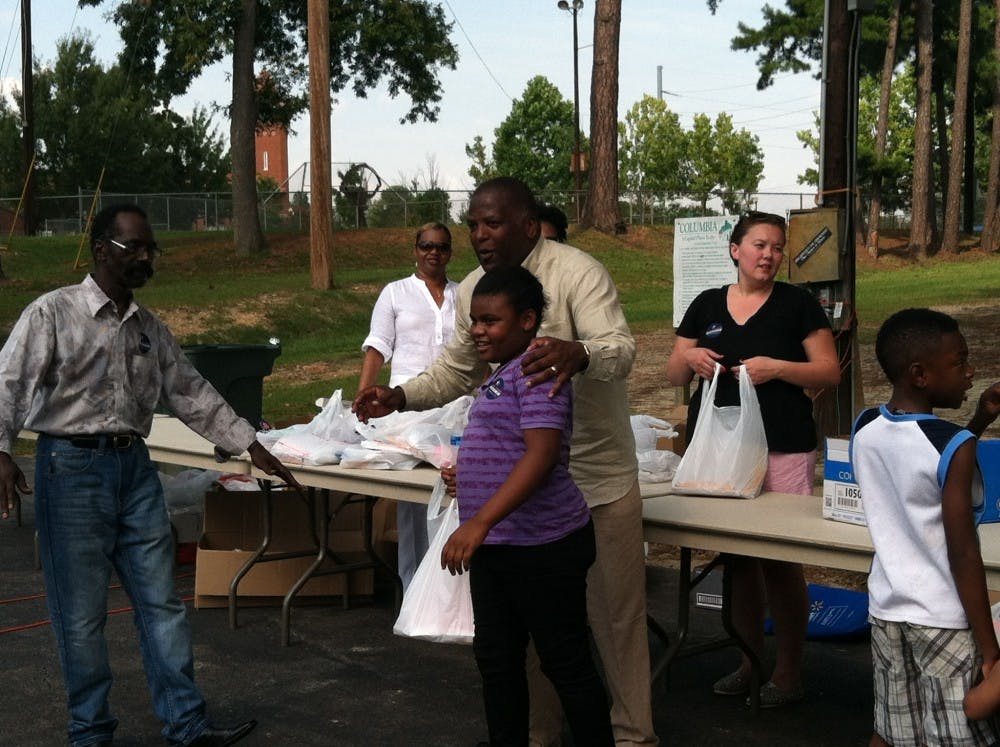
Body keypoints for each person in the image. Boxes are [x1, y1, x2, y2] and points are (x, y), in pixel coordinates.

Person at [355, 177, 657, 746]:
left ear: (526, 222)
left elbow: (620, 350)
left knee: (614, 622)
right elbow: (456, 372)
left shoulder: (577, 272)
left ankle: (633, 738)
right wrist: (399, 396)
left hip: (596, 478)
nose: (479, 235)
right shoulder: (475, 288)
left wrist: (580, 351)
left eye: (492, 223)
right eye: (472, 224)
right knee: (533, 638)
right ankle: (539, 736)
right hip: (522, 504)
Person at [0, 204, 301, 747]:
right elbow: (9, 383)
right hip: (70, 471)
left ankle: (186, 725)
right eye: (133, 248)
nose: (145, 258)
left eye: (149, 249)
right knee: (82, 615)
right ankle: (90, 732)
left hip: (134, 471)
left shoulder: (148, 329)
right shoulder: (52, 314)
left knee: (161, 603)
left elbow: (191, 392)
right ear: (99, 251)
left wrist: (251, 444)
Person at [665, 210, 841, 707]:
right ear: (735, 250)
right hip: (721, 448)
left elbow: (829, 372)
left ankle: (788, 671)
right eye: (760, 244)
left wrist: (780, 369)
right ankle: (749, 662)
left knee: (780, 562)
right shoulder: (705, 305)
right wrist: (692, 359)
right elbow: (672, 372)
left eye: (778, 247)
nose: (770, 255)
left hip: (784, 444)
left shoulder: (798, 304)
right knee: (738, 561)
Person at [441, 265, 613, 746]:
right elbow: (510, 446)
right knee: (496, 661)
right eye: (475, 320)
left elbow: (541, 456)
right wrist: (470, 475)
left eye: (491, 320)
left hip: (543, 545)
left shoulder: (537, 370)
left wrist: (479, 521)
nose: (478, 330)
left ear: (527, 320)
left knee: (566, 663)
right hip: (500, 546)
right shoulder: (503, 373)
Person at [851, 309, 1000, 746]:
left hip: (887, 607)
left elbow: (916, 469)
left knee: (892, 729)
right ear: (920, 374)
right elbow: (963, 553)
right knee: (956, 736)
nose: (970, 371)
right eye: (959, 362)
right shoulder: (956, 446)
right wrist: (989, 650)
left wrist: (976, 423)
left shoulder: (865, 427)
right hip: (942, 619)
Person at [358, 221, 459, 589]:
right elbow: (377, 347)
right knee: (414, 499)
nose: (434, 253)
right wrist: (366, 395)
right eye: (426, 246)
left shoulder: (463, 295)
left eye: (442, 247)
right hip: (406, 412)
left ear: (450, 253)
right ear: (415, 250)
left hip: (453, 409)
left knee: (454, 492)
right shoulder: (396, 293)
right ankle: (414, 585)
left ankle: (451, 587)